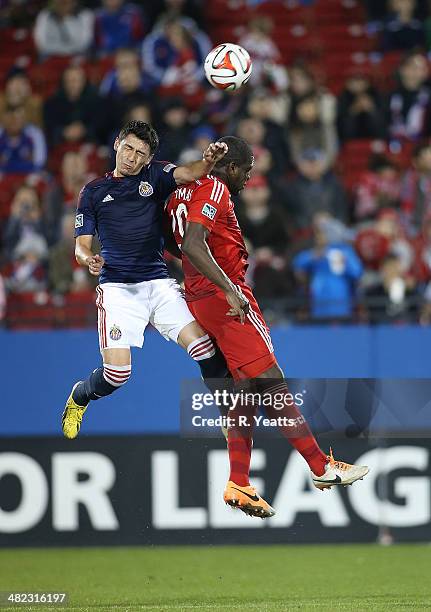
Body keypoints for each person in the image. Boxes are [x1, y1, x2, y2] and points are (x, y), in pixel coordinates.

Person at [166, 135, 369, 519]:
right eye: (246, 171)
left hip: (200, 296)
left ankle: (239, 481)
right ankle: (320, 467)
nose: (247, 180)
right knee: (271, 380)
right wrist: (227, 289)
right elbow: (193, 245)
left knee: (247, 388)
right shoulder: (213, 188)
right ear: (231, 167)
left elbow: (173, 242)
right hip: (224, 295)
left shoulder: (181, 191)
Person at [61, 120, 230, 439]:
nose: (132, 158)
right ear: (117, 145)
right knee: (117, 374)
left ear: (148, 159)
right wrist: (89, 260)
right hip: (117, 291)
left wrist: (208, 161)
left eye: (140, 153)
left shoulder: (156, 176)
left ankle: (226, 414)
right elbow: (81, 246)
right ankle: (80, 396)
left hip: (158, 284)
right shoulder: (94, 191)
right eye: (128, 148)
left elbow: (190, 173)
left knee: (205, 349)